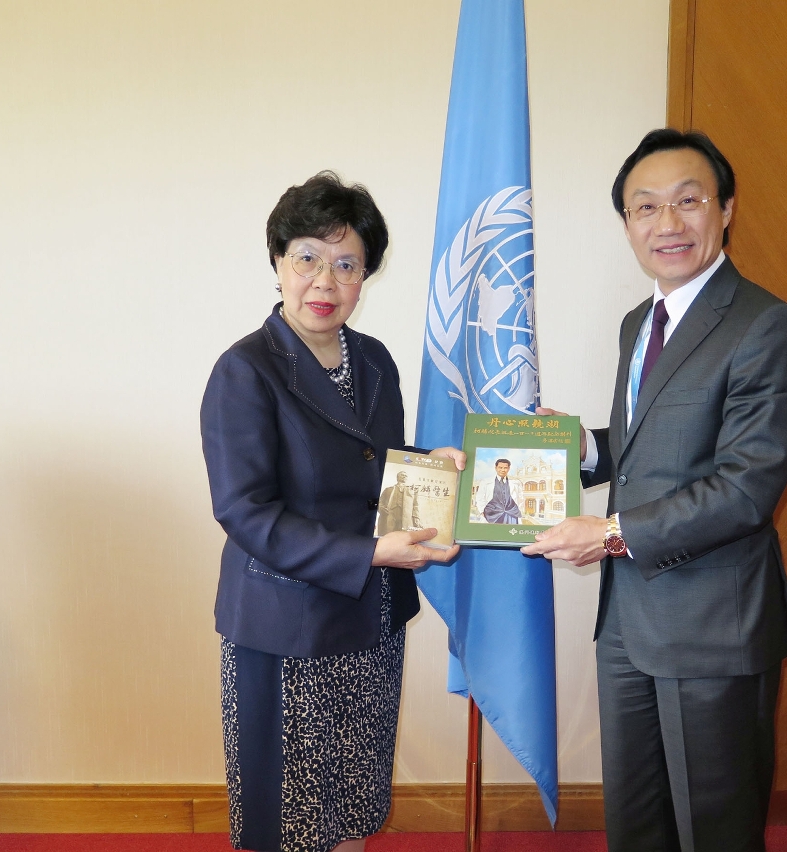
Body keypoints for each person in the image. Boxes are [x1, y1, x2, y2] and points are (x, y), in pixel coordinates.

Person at [522, 129, 787, 852]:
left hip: (712, 622)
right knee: (637, 821)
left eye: (688, 201)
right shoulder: (638, 323)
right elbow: (654, 450)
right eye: (645, 208)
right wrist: (584, 447)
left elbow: (746, 485)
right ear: (627, 224)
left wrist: (612, 531)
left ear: (726, 209)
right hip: (627, 623)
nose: (668, 223)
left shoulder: (766, 326)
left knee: (715, 828)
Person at [200, 172, 464, 852]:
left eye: (346, 264)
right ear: (278, 262)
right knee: (288, 815)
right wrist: (369, 553)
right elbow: (245, 512)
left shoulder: (372, 360)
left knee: (353, 803)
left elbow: (378, 467)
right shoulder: (245, 370)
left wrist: (431, 466)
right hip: (288, 625)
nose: (325, 281)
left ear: (366, 275)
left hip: (371, 617)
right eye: (308, 258)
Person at [473, 458, 522, 523]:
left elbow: (521, 498)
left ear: (509, 468)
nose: (503, 470)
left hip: (510, 515)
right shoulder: (485, 482)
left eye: (505, 468)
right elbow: (480, 498)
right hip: (491, 515)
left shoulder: (516, 482)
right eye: (500, 467)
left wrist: (516, 511)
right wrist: (482, 511)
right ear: (496, 468)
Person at [376, 471, 421, 535]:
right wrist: (382, 508)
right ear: (398, 477)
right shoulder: (388, 489)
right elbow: (380, 502)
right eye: (402, 475)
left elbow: (415, 505)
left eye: (406, 475)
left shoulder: (412, 490)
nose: (404, 476)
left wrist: (416, 517)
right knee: (388, 533)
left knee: (402, 534)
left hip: (405, 516)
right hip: (390, 514)